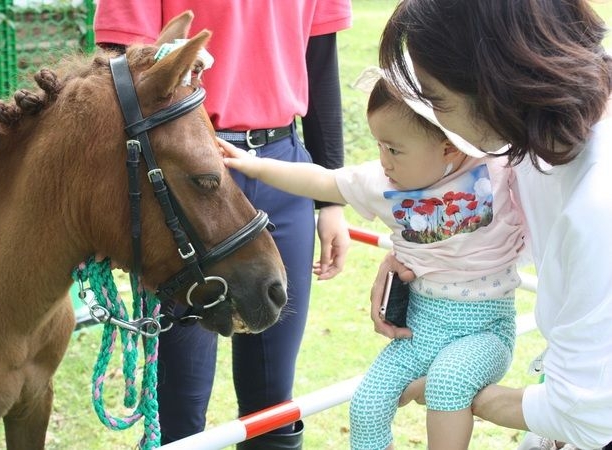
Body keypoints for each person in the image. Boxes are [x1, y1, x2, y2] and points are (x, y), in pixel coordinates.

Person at [222, 67, 525, 450]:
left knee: (449, 381)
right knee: (367, 404)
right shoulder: (383, 184)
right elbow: (322, 181)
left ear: (450, 145)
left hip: (485, 332)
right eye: (379, 144)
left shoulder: (499, 170)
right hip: (420, 333)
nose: (383, 160)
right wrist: (253, 165)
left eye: (394, 149)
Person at [93, 2, 352, 448]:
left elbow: (320, 63)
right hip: (182, 170)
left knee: (272, 399)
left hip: (282, 165)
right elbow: (122, 70)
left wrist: (331, 200)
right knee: (178, 398)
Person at [377, 1, 612, 449]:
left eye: (436, 99)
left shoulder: (599, 202)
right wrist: (416, 250)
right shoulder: (543, 129)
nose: (435, 119)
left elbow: (590, 417)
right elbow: (498, 215)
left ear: (496, 85)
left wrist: (450, 388)